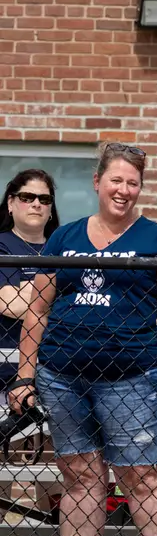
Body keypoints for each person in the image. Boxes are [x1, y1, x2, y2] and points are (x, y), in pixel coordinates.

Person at [6, 143, 157, 536]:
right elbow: (38, 307)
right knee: (80, 477)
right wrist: (25, 375)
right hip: (61, 375)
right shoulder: (65, 237)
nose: (124, 190)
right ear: (97, 183)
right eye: (116, 180)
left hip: (131, 376)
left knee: (142, 476)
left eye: (133, 183)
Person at [0, 169, 58, 394]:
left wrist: (27, 288)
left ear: (51, 209)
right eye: (27, 197)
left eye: (44, 199)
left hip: (57, 372)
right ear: (11, 203)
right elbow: (9, 304)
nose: (36, 204)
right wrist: (58, 294)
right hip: (8, 370)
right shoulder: (3, 245)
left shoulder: (61, 246)